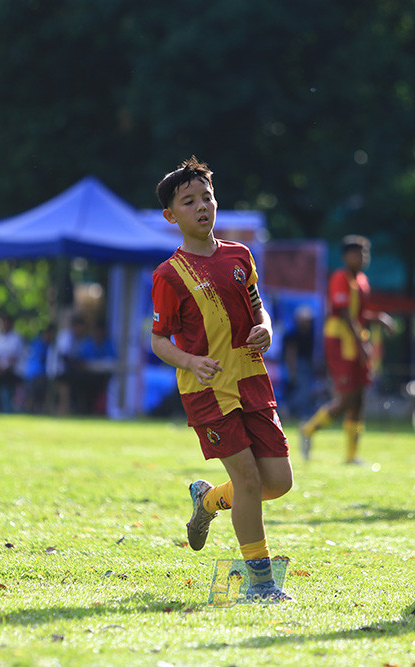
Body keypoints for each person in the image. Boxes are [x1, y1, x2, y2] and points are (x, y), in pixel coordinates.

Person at [150, 157, 293, 602]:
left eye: (207, 197)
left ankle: (208, 501)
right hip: (207, 390)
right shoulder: (169, 275)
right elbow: (158, 340)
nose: (202, 207)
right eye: (189, 201)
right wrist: (190, 362)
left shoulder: (239, 256)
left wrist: (266, 327)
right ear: (171, 216)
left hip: (251, 379)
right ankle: (260, 583)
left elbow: (258, 308)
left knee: (279, 482)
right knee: (249, 482)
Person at [299, 235, 395, 464]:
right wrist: (362, 344)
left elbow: (358, 316)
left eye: (364, 253)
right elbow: (343, 314)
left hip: (355, 341)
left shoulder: (362, 280)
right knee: (345, 398)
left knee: (359, 398)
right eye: (356, 253)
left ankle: (351, 456)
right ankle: (309, 428)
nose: (361, 258)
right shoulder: (340, 278)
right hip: (340, 343)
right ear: (345, 257)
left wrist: (377, 319)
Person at [76, 319, 116, 415]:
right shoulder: (87, 344)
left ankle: (105, 409)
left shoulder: (108, 344)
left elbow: (113, 360)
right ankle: (85, 409)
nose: (98, 333)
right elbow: (81, 361)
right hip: (88, 376)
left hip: (103, 376)